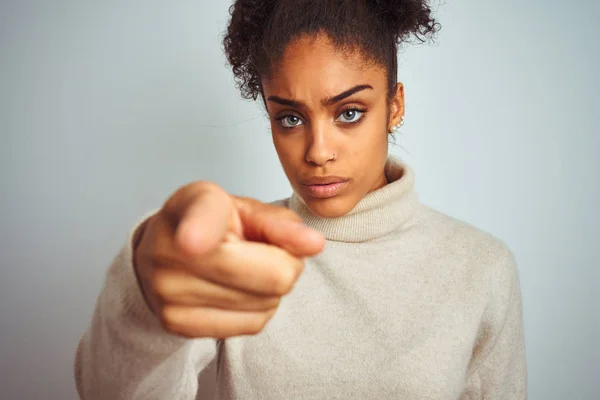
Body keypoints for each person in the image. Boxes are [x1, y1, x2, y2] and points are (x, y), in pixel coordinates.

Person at [74, 0, 527, 399]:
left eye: (349, 113)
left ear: (395, 106)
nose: (317, 152)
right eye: (290, 119)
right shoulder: (237, 250)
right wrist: (143, 300)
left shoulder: (481, 267)